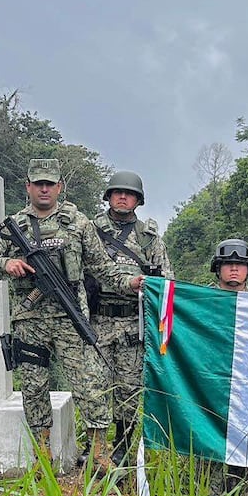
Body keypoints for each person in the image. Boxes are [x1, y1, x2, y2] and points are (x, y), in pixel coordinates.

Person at [0, 158, 140, 472]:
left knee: (90, 385)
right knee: (34, 387)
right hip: (30, 322)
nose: (43, 189)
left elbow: (101, 267)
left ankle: (98, 453)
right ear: (27, 186)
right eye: (37, 183)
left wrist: (129, 282)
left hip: (71, 321)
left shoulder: (77, 223)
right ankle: (43, 456)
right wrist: (6, 265)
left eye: (49, 184)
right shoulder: (15, 224)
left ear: (59, 187)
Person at [90, 170, 171, 468]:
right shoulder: (91, 230)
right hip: (95, 319)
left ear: (138, 200)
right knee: (94, 387)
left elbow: (166, 280)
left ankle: (123, 446)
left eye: (129, 193)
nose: (123, 197)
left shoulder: (149, 238)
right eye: (117, 192)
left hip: (131, 324)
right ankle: (95, 446)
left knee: (128, 389)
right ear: (109, 196)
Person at [204, 238, 248, 496]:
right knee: (209, 443)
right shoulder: (200, 299)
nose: (233, 270)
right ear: (218, 268)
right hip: (210, 382)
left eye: (240, 265)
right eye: (228, 264)